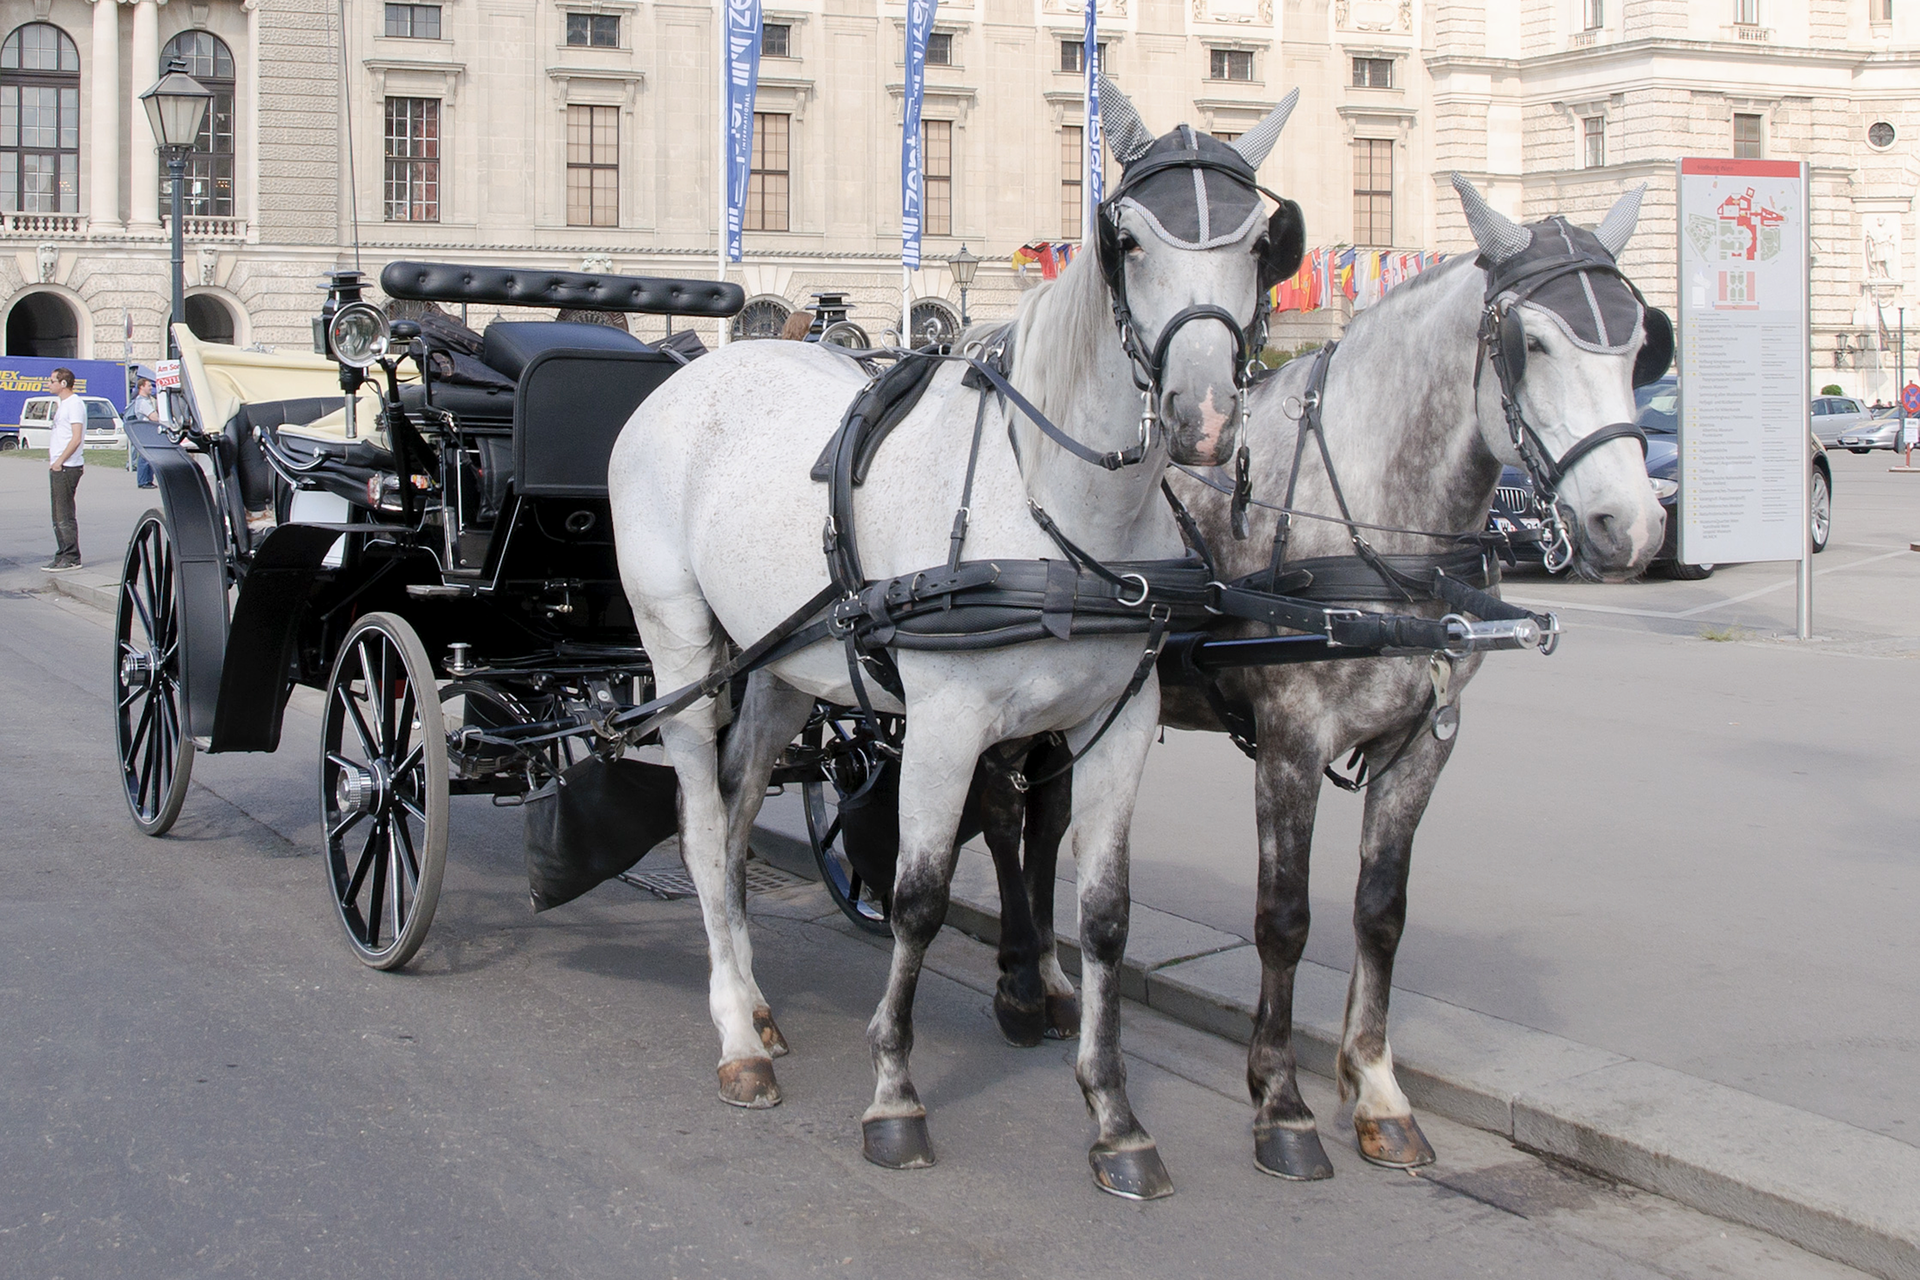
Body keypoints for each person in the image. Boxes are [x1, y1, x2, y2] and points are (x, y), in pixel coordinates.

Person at [43, 367, 86, 571]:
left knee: (64, 514)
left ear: (63, 383)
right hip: (59, 465)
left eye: (52, 381)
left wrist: (60, 460)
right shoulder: (63, 405)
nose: (48, 384)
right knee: (57, 514)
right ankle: (62, 554)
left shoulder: (74, 404)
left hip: (68, 466)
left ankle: (71, 556)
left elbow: (76, 438)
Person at [128, 376, 159, 488]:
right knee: (145, 457)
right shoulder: (142, 402)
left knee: (148, 456)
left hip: (147, 430)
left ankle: (147, 480)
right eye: (149, 385)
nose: (151, 388)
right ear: (141, 387)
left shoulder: (147, 400)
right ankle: (144, 481)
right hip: (146, 430)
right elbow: (154, 417)